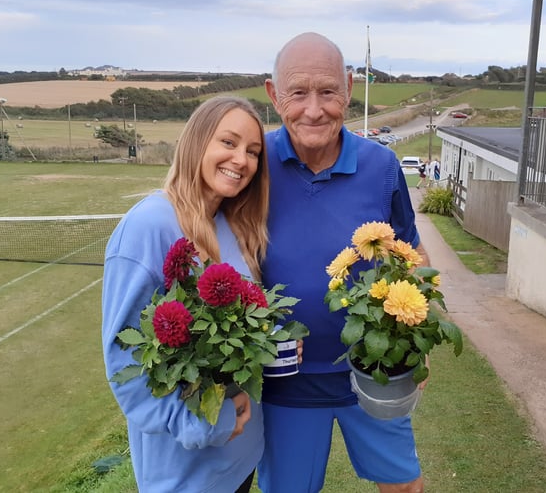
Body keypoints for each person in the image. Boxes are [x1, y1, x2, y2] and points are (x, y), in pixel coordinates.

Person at [259, 32, 430, 493]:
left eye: (328, 91)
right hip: (282, 383)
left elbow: (412, 258)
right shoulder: (252, 167)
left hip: (375, 370)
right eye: (298, 92)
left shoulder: (383, 166)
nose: (314, 109)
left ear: (349, 89)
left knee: (402, 487)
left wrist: (418, 343)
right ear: (274, 95)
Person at [101, 96, 270, 492]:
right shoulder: (148, 225)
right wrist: (208, 423)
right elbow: (125, 362)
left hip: (238, 461)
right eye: (228, 143)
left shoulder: (231, 224)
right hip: (185, 474)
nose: (241, 160)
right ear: (196, 142)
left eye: (253, 151)